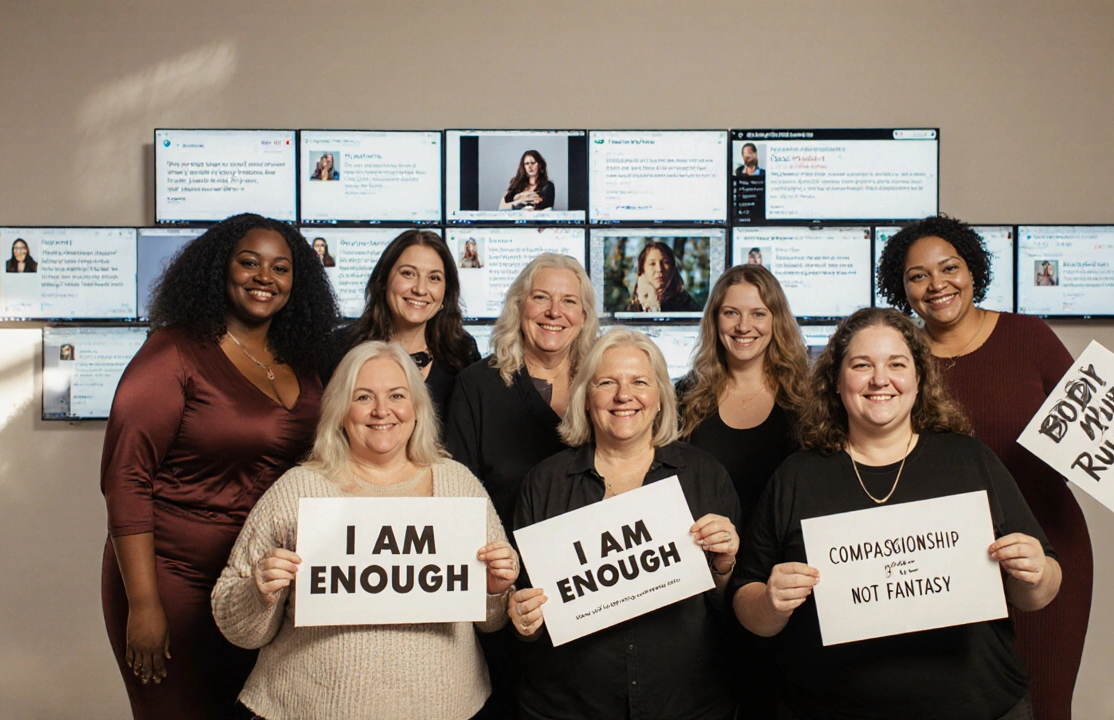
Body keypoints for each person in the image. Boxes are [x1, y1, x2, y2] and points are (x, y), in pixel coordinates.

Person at [875, 215, 1114, 720]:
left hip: (1048, 548)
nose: (937, 284)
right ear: (901, 288)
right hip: (943, 561)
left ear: (973, 270)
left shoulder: (1028, 336)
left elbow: (1094, 425)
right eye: (917, 275)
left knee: (1046, 705)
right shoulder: (899, 358)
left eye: (949, 267)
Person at [733, 307, 1062, 720]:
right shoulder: (797, 476)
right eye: (861, 365)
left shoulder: (970, 461)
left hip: (981, 707)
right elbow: (747, 603)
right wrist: (770, 602)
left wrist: (1036, 573)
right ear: (836, 381)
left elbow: (1039, 590)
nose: (879, 379)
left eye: (896, 364)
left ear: (919, 378)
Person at [99, 213, 338, 720]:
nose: (264, 277)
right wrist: (143, 604)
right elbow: (126, 478)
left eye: (280, 267)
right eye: (248, 262)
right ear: (218, 269)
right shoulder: (174, 352)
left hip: (259, 583)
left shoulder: (301, 359)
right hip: (173, 579)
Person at [212, 340, 519, 720]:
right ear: (341, 410)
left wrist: (495, 589)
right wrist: (257, 590)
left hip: (447, 708)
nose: (381, 411)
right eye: (363, 397)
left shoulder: (458, 485)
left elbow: (492, 620)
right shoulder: (297, 490)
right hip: (305, 708)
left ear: (418, 408)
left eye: (397, 395)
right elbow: (238, 629)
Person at [509, 328, 742, 720]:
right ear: (586, 398)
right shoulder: (543, 484)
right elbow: (529, 617)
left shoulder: (705, 476)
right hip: (568, 709)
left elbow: (730, 602)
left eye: (639, 382)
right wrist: (522, 619)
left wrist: (725, 564)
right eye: (607, 383)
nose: (623, 395)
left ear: (660, 398)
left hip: (688, 706)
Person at [444, 252, 598, 719]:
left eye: (569, 301)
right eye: (541, 298)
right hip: (507, 596)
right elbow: (457, 495)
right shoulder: (478, 385)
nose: (555, 312)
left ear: (586, 315)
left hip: (597, 587)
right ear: (517, 306)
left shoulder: (604, 385)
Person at [675, 264, 808, 718]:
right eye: (731, 313)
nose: (744, 326)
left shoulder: (809, 401)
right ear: (715, 320)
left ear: (777, 320)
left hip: (789, 589)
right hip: (707, 586)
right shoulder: (684, 399)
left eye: (758, 313)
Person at [328, 230, 480, 419]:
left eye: (434, 278)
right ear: (384, 280)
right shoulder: (341, 348)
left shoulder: (462, 353)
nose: (420, 289)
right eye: (408, 274)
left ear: (445, 293)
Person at [634, 241, 699, 312]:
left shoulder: (685, 304)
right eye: (652, 264)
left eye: (665, 262)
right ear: (642, 269)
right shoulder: (634, 306)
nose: (659, 269)